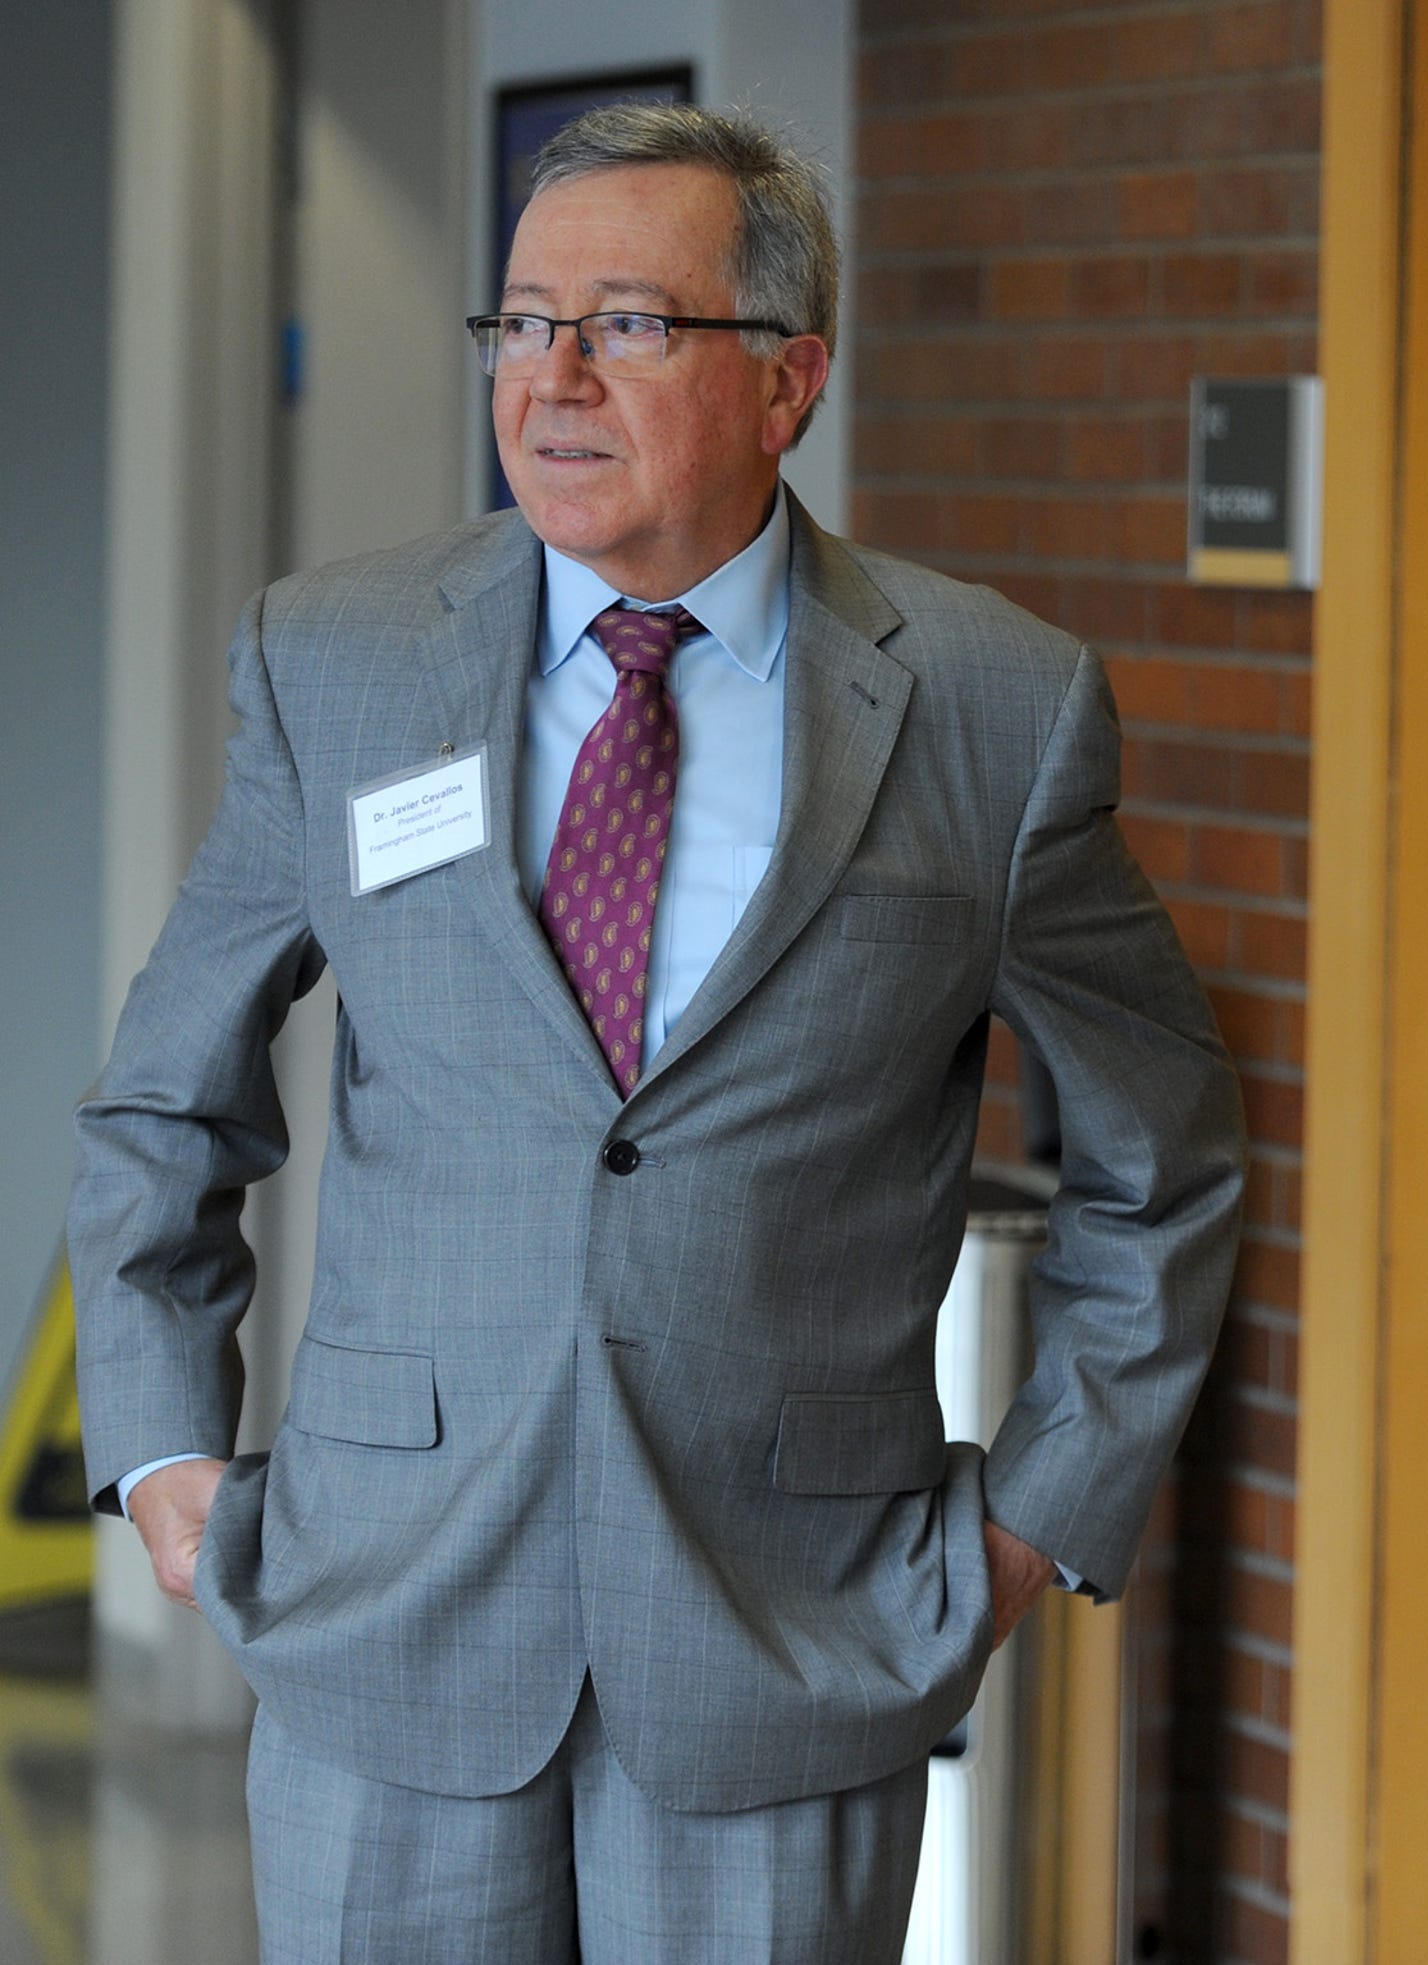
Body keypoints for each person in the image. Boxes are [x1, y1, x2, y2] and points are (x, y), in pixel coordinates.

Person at [72, 103, 1244, 1960]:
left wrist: (1027, 1526)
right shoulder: (339, 659)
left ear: (790, 381)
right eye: (519, 324)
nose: (550, 379)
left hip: (790, 1657)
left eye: (626, 324)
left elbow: (1163, 1165)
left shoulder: (995, 708)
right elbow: (166, 1100)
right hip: (386, 1632)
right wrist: (165, 1470)